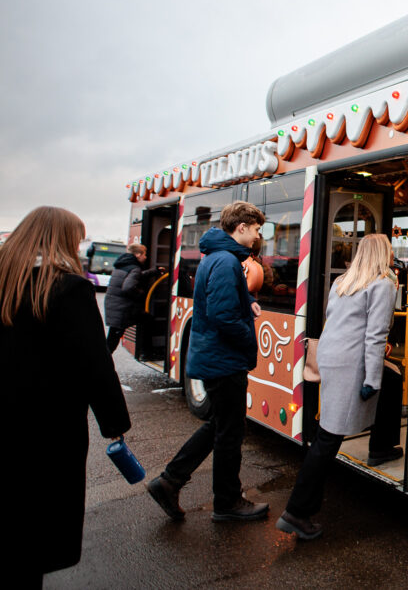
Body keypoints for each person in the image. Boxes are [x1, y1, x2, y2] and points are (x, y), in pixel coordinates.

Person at [0, 207, 131, 587]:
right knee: (32, 534)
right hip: (45, 432)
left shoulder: (5, 279)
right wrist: (115, 424)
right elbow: (94, 365)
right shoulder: (69, 288)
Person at [146, 201, 268, 522]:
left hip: (215, 357)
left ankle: (170, 481)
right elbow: (223, 315)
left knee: (221, 424)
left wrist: (248, 303)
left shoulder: (216, 258)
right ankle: (227, 503)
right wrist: (247, 338)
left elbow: (224, 302)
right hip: (225, 360)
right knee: (229, 432)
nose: (257, 236)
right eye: (255, 229)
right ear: (241, 227)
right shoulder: (228, 261)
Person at [276, 233, 397, 540]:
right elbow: (375, 336)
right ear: (384, 253)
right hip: (349, 363)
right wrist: (372, 379)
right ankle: (296, 512)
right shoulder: (383, 284)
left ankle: (301, 509)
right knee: (328, 439)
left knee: (327, 434)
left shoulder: (342, 282)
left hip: (331, 357)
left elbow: (334, 321)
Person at [103, 242, 163, 352]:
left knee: (113, 337)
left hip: (114, 305)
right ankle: (148, 351)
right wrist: (141, 294)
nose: (145, 257)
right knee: (112, 340)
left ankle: (147, 350)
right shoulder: (135, 268)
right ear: (137, 255)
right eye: (144, 254)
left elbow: (136, 276)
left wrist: (154, 271)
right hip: (122, 308)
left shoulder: (122, 264)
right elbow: (128, 287)